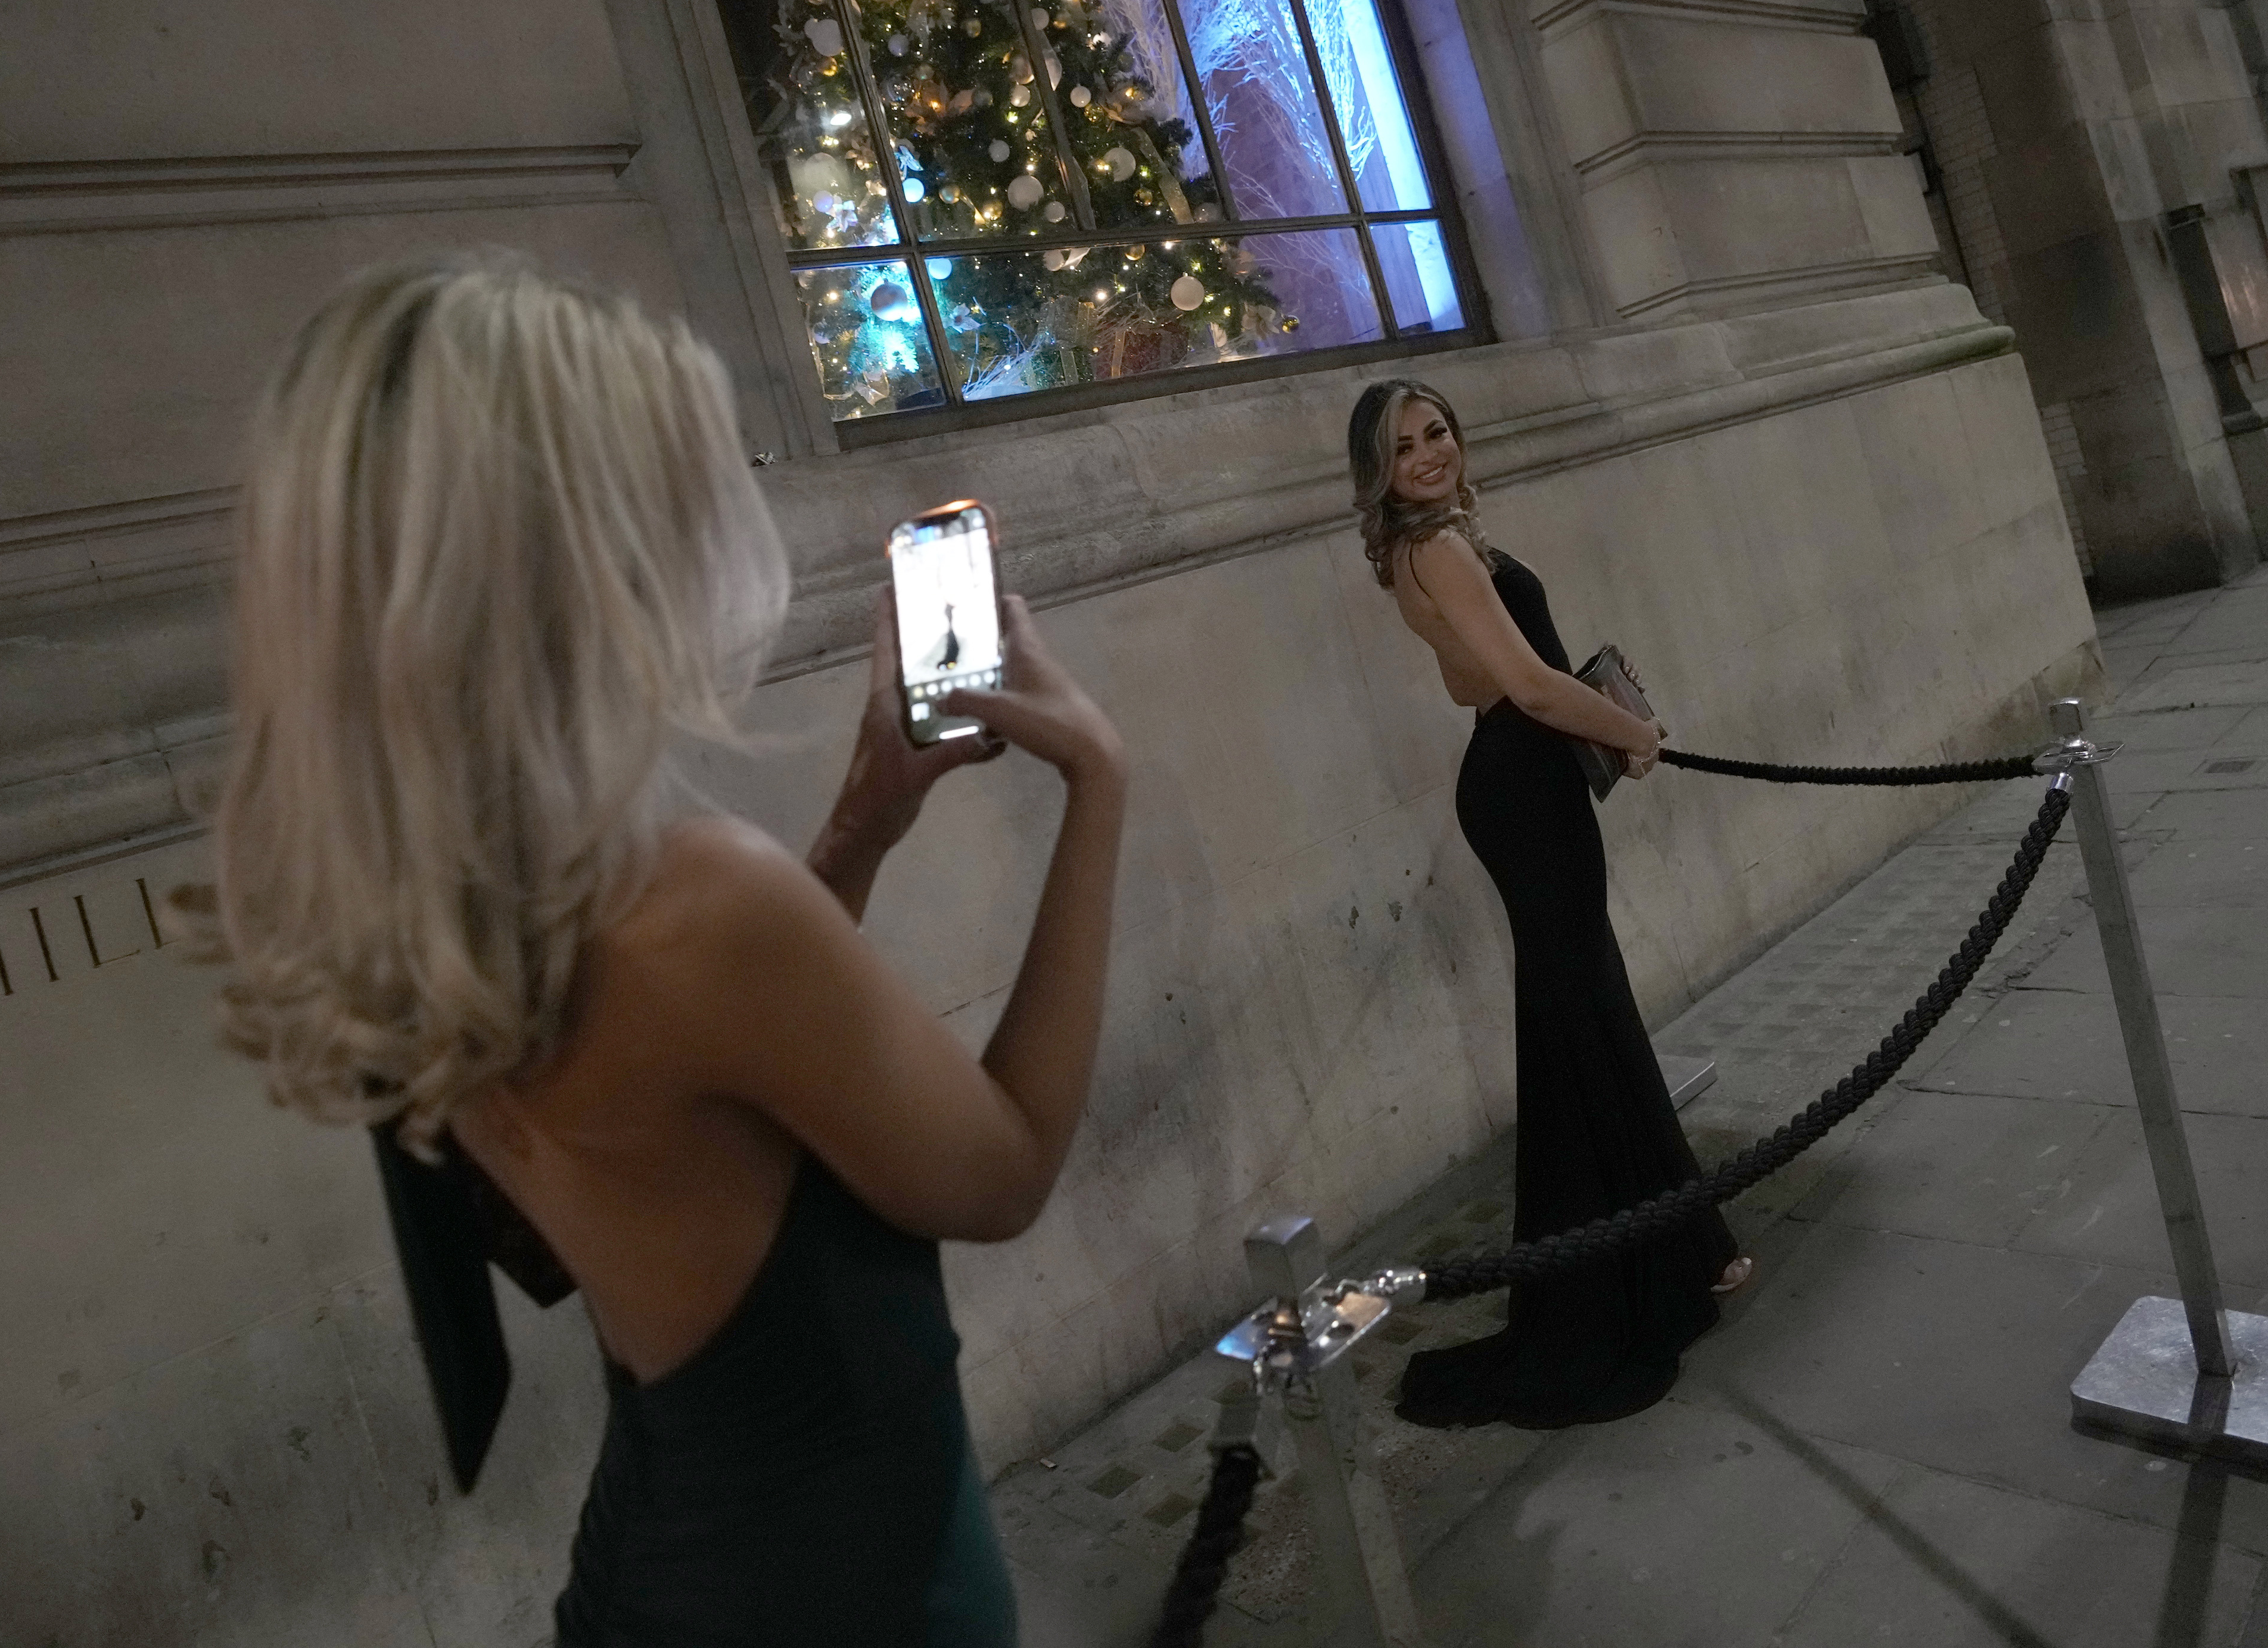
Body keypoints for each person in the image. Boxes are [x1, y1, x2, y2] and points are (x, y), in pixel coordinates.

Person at [191, 254, 1128, 1646]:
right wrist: (1100, 786)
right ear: (580, 551)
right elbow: (999, 1172)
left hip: (673, 1566)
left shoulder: (440, 890)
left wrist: (860, 829)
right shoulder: (692, 896)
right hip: (841, 1591)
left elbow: (706, 1085)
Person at [1349, 378, 1749, 1431]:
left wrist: (1590, 718)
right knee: (1587, 1015)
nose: (1431, 452)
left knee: (1583, 1014)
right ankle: (1647, 1270)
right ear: (1380, 470)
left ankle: (1681, 1251)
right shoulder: (1435, 548)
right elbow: (1523, 687)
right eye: (1405, 447)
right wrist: (1628, 729)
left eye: (1438, 430)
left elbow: (1465, 686)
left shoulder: (1416, 549)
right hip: (1526, 788)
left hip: (1515, 782)